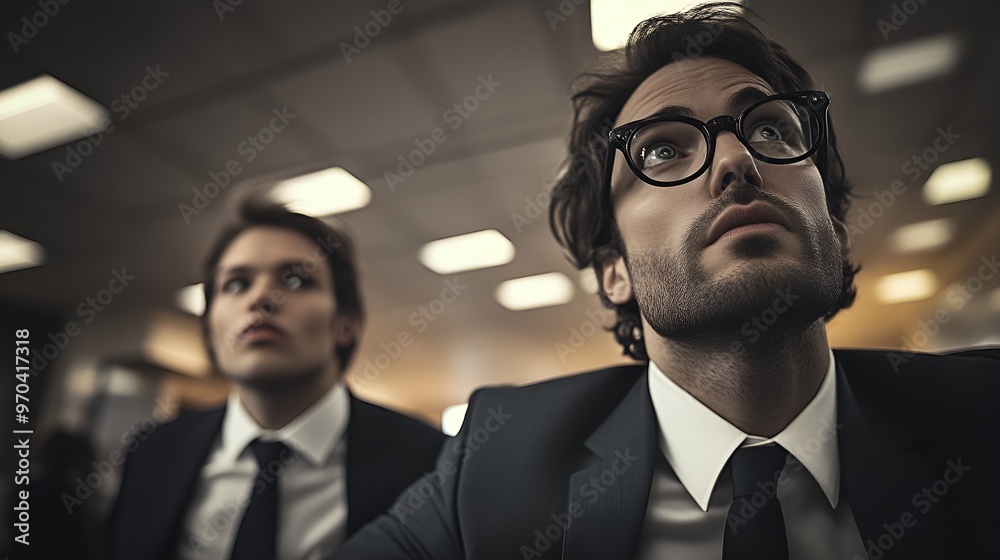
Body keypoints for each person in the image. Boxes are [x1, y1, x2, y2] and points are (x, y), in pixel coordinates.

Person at [332, 4, 999, 559]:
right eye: (662, 149)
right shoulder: (496, 461)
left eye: (770, 127)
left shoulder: (982, 416)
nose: (738, 159)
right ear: (613, 270)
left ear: (831, 220)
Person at [109, 201, 446, 560]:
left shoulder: (430, 462)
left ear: (346, 322)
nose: (261, 299)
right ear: (209, 327)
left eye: (297, 279)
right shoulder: (152, 452)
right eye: (237, 284)